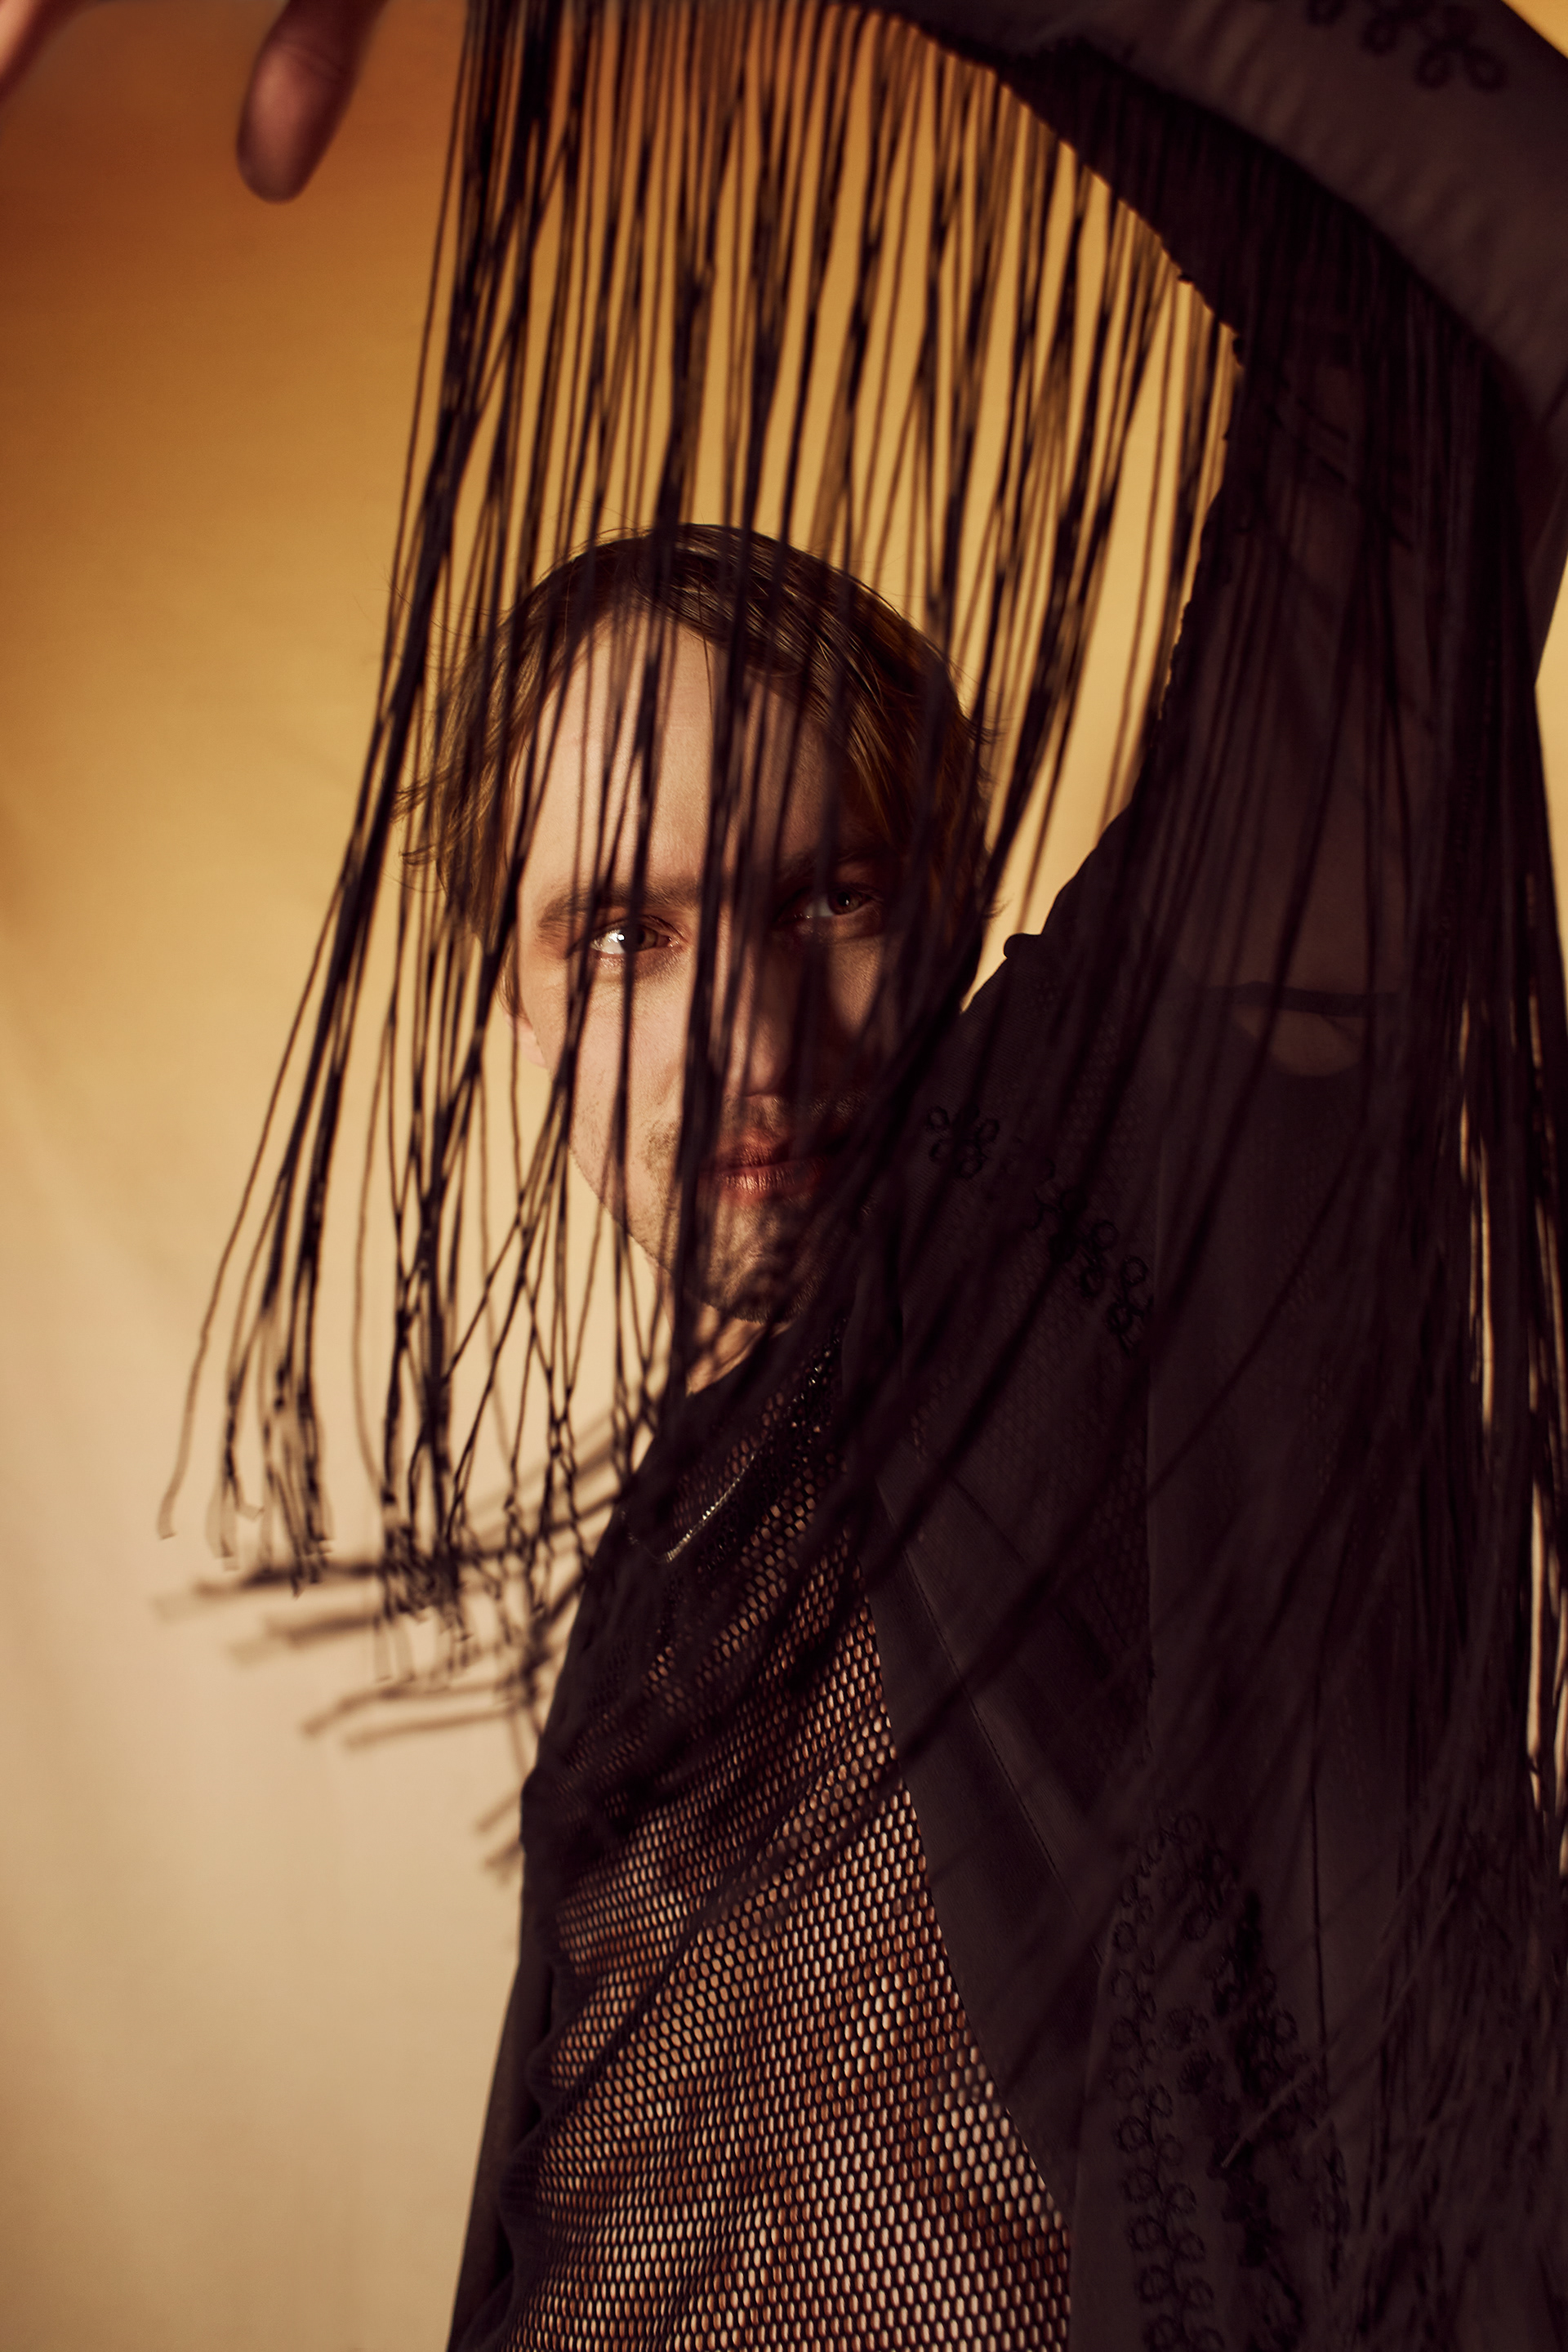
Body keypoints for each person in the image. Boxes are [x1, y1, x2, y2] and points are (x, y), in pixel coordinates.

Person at [9, 1, 1568, 2345]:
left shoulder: (1115, 1195)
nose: (741, 1041)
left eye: (823, 897)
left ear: (950, 897)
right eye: (616, 934)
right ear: (506, 998)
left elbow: (1441, 353)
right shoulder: (687, 1534)